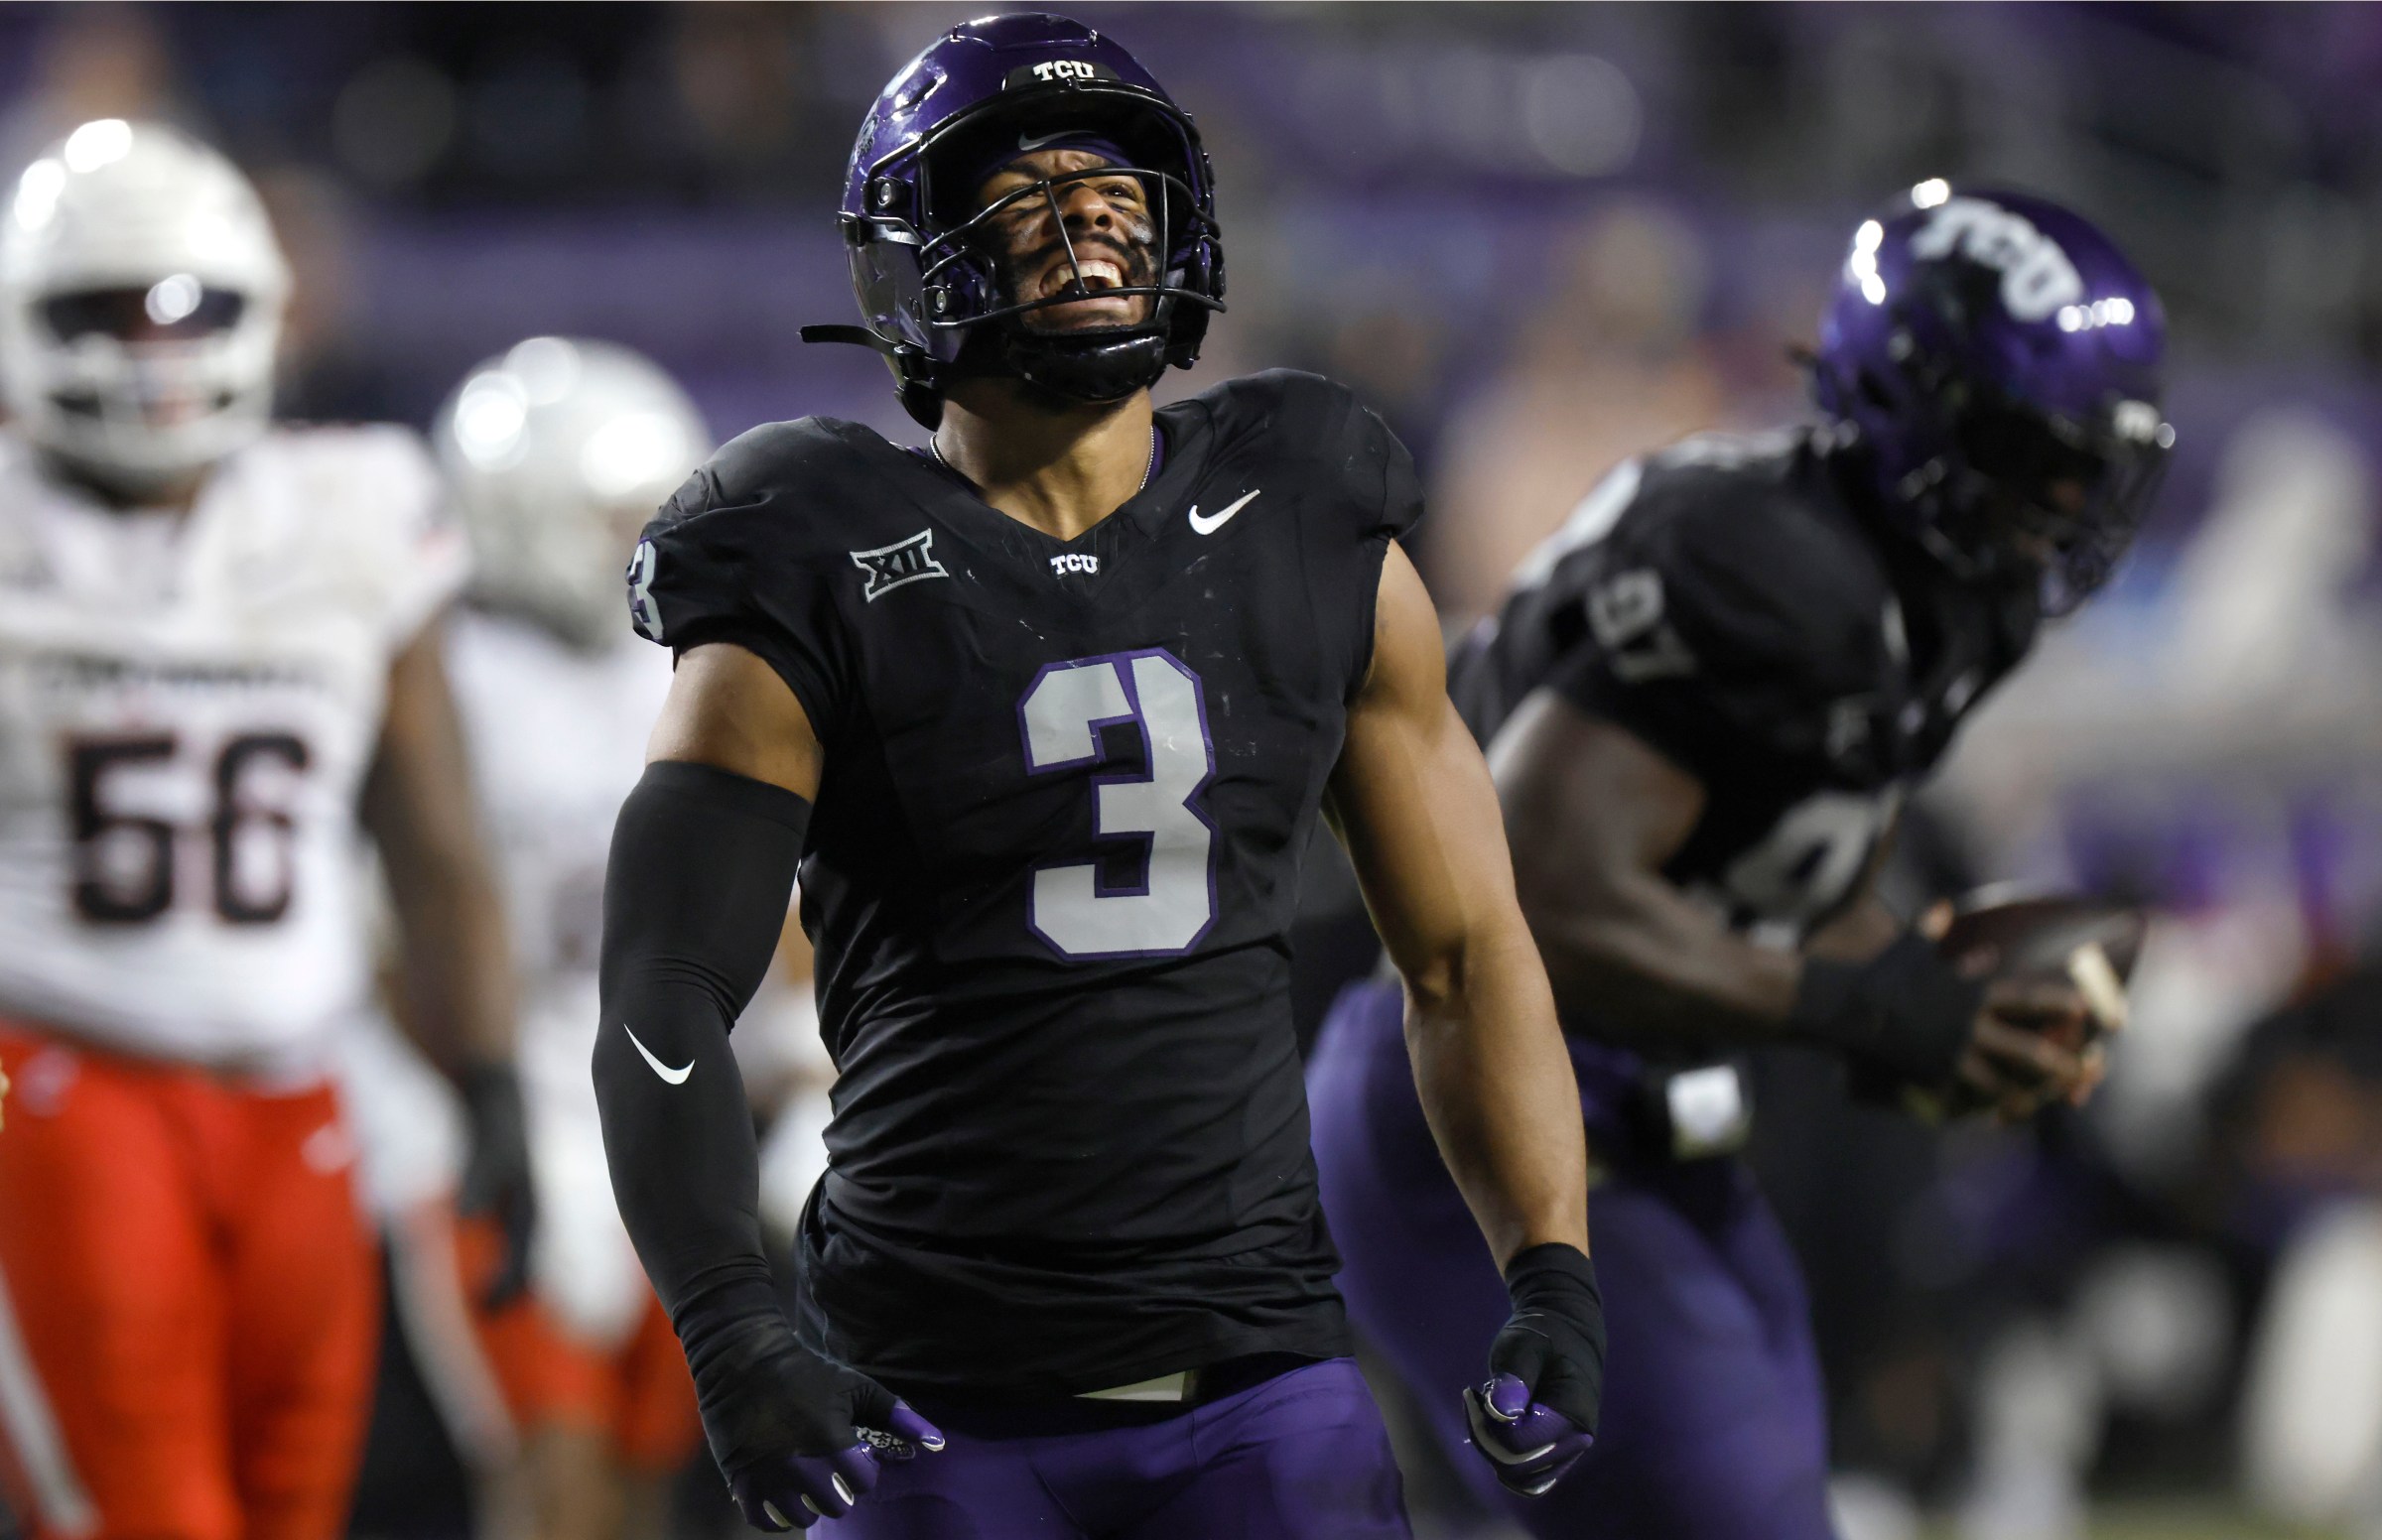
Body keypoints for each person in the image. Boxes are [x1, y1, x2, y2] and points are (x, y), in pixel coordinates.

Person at [593, 14, 1604, 1536]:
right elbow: (663, 990)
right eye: (1024, 193)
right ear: (910, 260)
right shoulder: (812, 543)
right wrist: (732, 1327)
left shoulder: (1305, 510)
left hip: (1258, 1383)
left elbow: (1463, 954)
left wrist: (1551, 1268)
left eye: (1116, 185)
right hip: (925, 1397)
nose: (1088, 222)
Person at [1307, 185, 2175, 1539]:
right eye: (2031, 457)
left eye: (2088, 470)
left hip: (1652, 1109)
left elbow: (1781, 886)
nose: (2061, 505)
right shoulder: (1770, 565)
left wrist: (1935, 994)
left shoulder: (1940, 591)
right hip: (1475, 1108)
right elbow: (1524, 906)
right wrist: (1870, 1007)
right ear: (1911, 408)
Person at [0, 121, 531, 1540]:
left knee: (293, 1509)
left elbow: (433, 838)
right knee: (145, 1515)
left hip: (300, 1092)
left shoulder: (352, 507)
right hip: (58, 1083)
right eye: (107, 311)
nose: (152, 351)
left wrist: (492, 1080)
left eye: (188, 310)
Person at [355, 337, 721, 1539]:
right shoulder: (445, 673)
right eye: (618, 515)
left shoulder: (686, 668)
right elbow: (390, 939)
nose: (645, 541)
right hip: (491, 1120)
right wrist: (488, 1103)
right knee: (549, 1472)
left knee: (657, 1474)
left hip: (658, 1116)